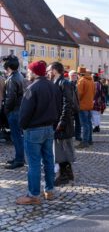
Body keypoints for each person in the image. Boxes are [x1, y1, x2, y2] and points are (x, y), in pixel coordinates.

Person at [16, 61, 61, 205]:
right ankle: (49, 190)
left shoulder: (32, 88)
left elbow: (25, 112)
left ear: (34, 72)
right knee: (48, 160)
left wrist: (22, 126)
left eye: (29, 71)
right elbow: (59, 107)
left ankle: (33, 195)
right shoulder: (53, 86)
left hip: (34, 130)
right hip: (49, 128)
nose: (28, 73)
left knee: (34, 163)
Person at [47, 62, 75, 186]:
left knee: (61, 148)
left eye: (49, 70)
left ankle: (64, 175)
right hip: (57, 120)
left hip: (63, 121)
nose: (47, 72)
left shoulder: (64, 83)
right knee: (59, 147)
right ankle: (67, 173)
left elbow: (67, 103)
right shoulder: (56, 82)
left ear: (54, 70)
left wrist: (62, 121)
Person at [2, 55, 26, 170]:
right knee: (18, 136)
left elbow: (10, 97)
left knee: (16, 136)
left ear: (8, 67)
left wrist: (6, 110)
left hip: (14, 111)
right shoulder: (19, 75)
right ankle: (19, 157)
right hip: (18, 109)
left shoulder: (12, 79)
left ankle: (19, 159)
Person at [76, 67, 95, 149]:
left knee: (84, 124)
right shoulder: (91, 80)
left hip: (82, 105)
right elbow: (94, 92)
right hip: (89, 105)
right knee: (89, 123)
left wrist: (76, 102)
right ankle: (89, 140)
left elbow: (79, 94)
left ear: (79, 74)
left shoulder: (81, 81)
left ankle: (85, 142)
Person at [68, 70, 81, 141]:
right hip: (71, 106)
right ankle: (71, 135)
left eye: (75, 75)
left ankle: (78, 136)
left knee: (78, 122)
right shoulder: (67, 84)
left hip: (77, 106)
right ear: (69, 76)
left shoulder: (78, 84)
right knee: (70, 122)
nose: (74, 76)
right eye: (72, 75)